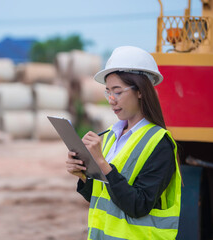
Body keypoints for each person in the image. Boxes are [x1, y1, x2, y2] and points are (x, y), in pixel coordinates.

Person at [66, 46, 181, 240]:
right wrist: (83, 175)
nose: (111, 100)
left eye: (117, 92)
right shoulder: (111, 135)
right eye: (108, 92)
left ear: (140, 92)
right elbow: (102, 196)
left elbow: (138, 205)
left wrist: (102, 163)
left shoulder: (160, 143)